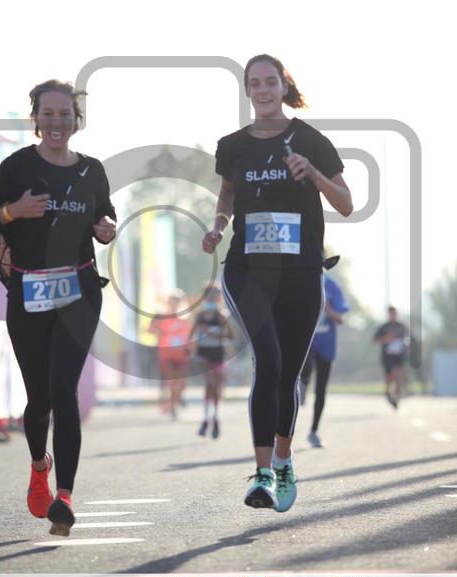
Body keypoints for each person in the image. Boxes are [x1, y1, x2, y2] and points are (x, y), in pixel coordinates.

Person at [0, 80, 116, 537]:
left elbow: (104, 215)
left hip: (79, 291)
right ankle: (38, 467)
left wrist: (106, 227)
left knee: (64, 389)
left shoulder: (92, 171)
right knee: (40, 399)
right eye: (47, 113)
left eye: (64, 114)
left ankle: (64, 497)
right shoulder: (17, 167)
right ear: (36, 118)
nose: (56, 122)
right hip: (29, 295)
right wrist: (12, 212)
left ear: (76, 119)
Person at [202, 53, 353, 512]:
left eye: (270, 82)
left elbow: (346, 203)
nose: (263, 90)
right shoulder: (232, 145)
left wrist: (315, 174)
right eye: (255, 83)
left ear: (284, 86)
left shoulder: (310, 140)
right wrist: (218, 226)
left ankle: (284, 460)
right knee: (267, 360)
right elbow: (227, 194)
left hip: (302, 271)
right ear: (247, 90)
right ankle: (263, 473)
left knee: (287, 373)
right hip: (247, 269)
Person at [300, 274, 349, 447]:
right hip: (306, 340)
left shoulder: (332, 285)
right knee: (304, 370)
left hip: (326, 344)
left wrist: (328, 311)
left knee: (321, 389)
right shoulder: (301, 280)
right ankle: (302, 386)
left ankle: (313, 432)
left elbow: (340, 319)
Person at [188, 283, 233, 439]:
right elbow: (191, 335)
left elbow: (230, 336)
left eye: (215, 296)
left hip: (219, 354)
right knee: (210, 383)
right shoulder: (200, 316)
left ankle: (214, 420)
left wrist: (216, 333)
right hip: (203, 354)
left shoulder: (222, 315)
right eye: (209, 296)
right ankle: (206, 420)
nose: (212, 298)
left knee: (216, 390)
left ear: (219, 298)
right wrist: (190, 348)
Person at [148, 290, 192, 419]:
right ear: (168, 303)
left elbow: (191, 336)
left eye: (177, 302)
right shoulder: (161, 317)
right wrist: (159, 332)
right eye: (172, 302)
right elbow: (150, 330)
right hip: (166, 354)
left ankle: (176, 400)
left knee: (182, 384)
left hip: (181, 355)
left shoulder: (186, 318)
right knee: (172, 382)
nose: (174, 305)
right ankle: (172, 407)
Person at [373, 306, 409, 408]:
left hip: (399, 355)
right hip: (387, 356)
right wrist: (386, 339)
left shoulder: (402, 326)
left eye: (394, 314)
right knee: (389, 376)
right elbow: (375, 339)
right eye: (391, 314)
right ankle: (388, 392)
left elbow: (408, 338)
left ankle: (397, 396)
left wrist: (406, 344)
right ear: (388, 314)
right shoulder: (384, 327)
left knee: (398, 374)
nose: (393, 315)